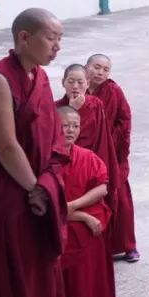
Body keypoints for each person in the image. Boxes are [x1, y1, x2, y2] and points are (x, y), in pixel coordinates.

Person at [0, 8, 67, 297]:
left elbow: (53, 136)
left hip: (33, 187)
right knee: (8, 277)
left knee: (37, 274)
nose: (57, 46)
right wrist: (36, 189)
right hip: (2, 194)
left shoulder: (39, 77)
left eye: (60, 39)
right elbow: (5, 145)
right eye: (51, 38)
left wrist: (45, 185)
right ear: (24, 37)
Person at [57, 105, 116, 297]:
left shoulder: (88, 157)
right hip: (58, 236)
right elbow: (48, 207)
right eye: (65, 126)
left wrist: (72, 207)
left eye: (75, 126)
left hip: (84, 236)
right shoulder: (42, 159)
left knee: (87, 291)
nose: (70, 130)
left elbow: (102, 188)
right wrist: (82, 216)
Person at [85, 53, 137, 262]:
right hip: (87, 154)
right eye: (96, 67)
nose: (100, 72)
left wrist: (110, 143)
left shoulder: (113, 90)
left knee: (121, 200)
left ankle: (128, 246)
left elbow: (125, 120)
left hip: (112, 153)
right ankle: (100, 247)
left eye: (105, 69)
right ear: (86, 67)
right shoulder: (79, 87)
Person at [55, 64, 119, 218]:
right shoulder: (54, 108)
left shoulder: (95, 105)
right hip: (63, 168)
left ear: (88, 83)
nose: (75, 86)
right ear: (63, 82)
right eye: (71, 81)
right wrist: (72, 109)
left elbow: (102, 141)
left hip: (89, 168)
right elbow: (56, 142)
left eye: (80, 82)